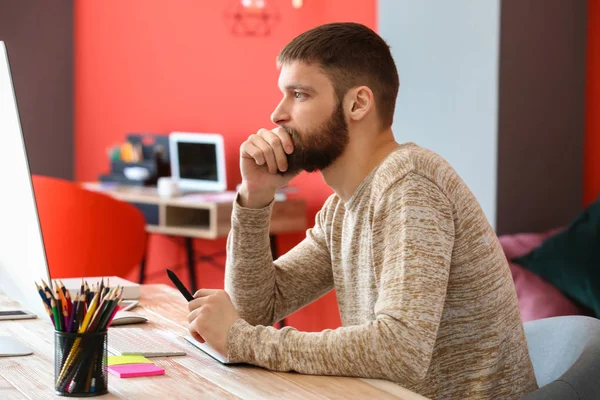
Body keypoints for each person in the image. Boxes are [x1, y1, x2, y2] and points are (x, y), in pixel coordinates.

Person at [187, 22, 538, 399]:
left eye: (299, 95)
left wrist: (242, 341)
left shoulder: (410, 185)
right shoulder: (344, 207)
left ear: (357, 103)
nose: (276, 115)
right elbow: (257, 306)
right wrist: (255, 196)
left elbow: (399, 350)